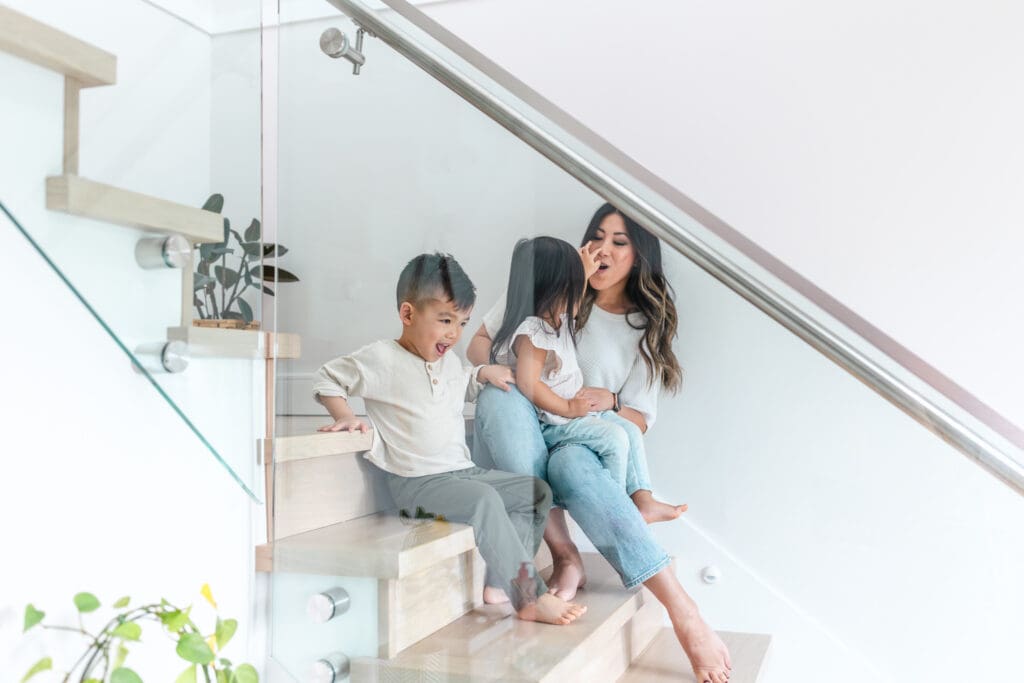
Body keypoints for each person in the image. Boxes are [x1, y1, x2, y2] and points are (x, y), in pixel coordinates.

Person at [468, 205, 731, 683]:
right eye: (597, 236)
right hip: (522, 422)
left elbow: (634, 420)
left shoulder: (644, 327)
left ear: (639, 257)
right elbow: (483, 341)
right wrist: (512, 370)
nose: (604, 249)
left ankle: (683, 612)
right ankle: (559, 555)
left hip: (580, 441)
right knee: (502, 398)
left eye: (620, 241)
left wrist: (609, 399)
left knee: (574, 467)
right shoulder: (552, 283)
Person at [312, 252, 587, 626]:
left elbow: (465, 383)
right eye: (444, 320)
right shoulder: (381, 358)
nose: (454, 333)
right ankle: (529, 597)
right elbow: (328, 378)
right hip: (417, 484)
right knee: (486, 500)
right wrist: (346, 416)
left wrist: (485, 371)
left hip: (462, 473)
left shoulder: (449, 362)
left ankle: (499, 583)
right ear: (408, 315)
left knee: (536, 492)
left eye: (462, 322)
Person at [489, 235, 657, 494]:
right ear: (553, 291)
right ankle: (613, 500)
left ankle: (641, 497)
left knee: (630, 432)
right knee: (615, 438)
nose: (582, 293)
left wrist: (586, 272)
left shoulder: (556, 320)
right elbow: (528, 383)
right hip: (557, 421)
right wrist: (568, 408)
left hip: (576, 412)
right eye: (575, 286)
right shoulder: (534, 334)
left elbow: (573, 300)